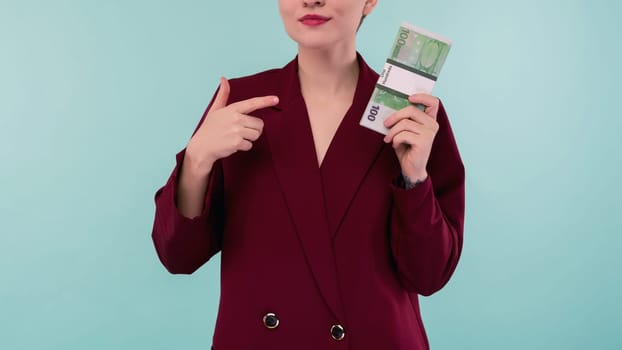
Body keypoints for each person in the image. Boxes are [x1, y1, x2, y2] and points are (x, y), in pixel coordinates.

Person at [151, 0, 465, 349]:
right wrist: (196, 160)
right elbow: (177, 256)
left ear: (371, 1)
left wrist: (415, 179)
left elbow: (430, 274)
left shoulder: (411, 117)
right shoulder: (239, 103)